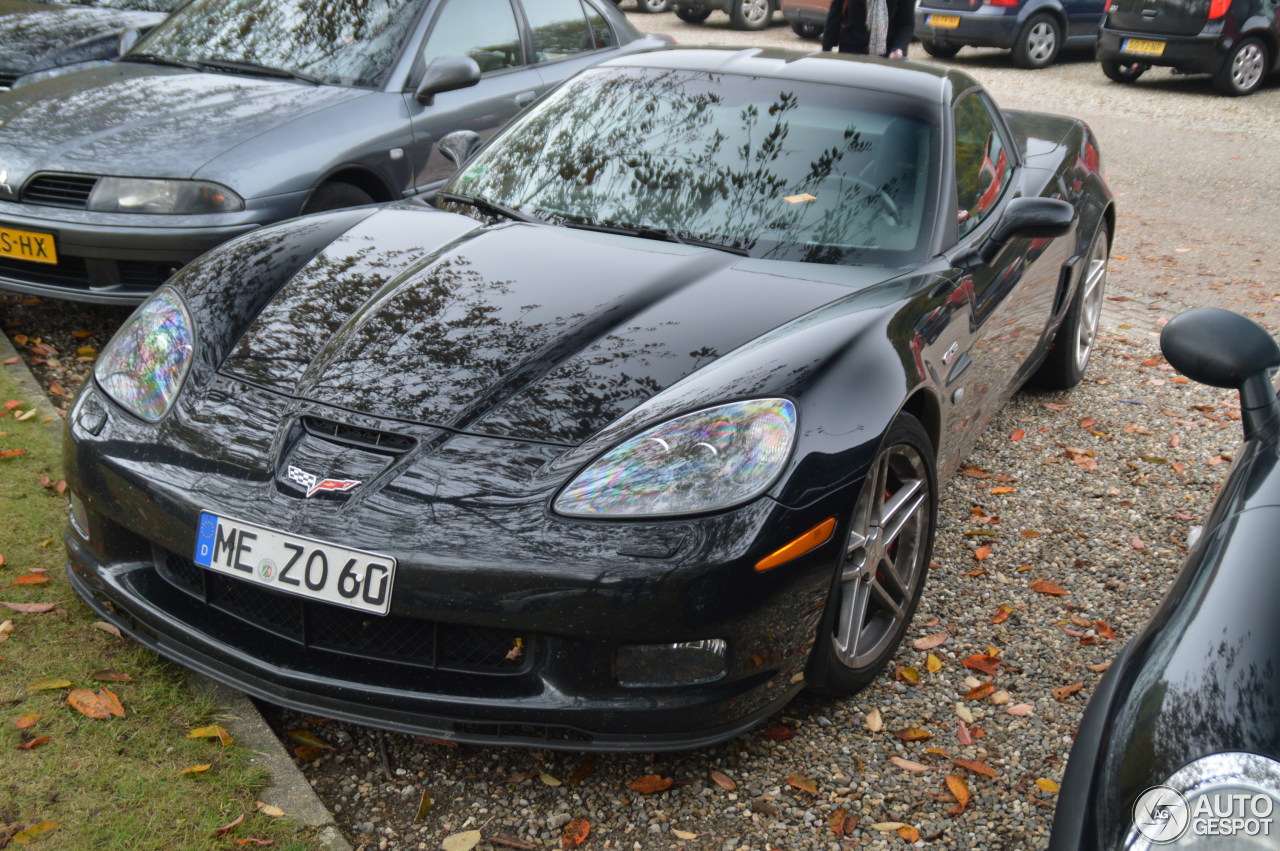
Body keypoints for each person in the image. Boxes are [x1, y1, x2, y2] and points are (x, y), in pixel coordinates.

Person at [821, 0, 914, 58]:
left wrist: (898, 48)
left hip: (886, 56)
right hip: (851, 50)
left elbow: (906, 24)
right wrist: (826, 49)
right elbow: (835, 12)